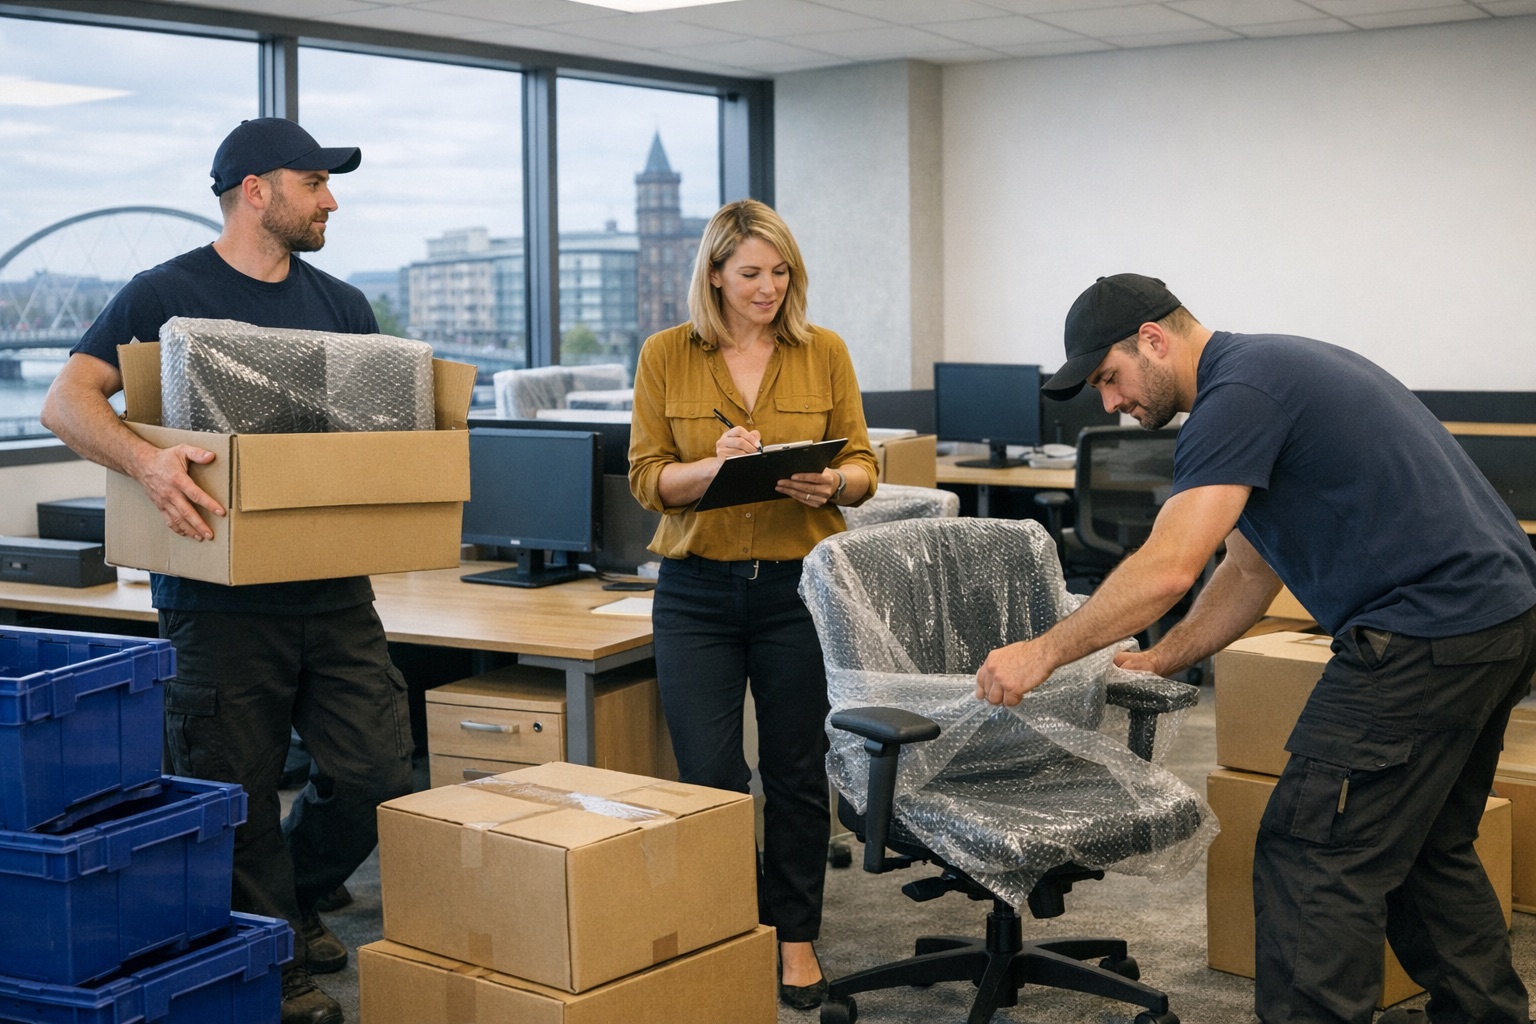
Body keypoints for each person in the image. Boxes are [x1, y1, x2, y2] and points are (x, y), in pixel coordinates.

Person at [973, 272, 1536, 1024]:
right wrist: (1160, 658)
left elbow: (1170, 566)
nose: (1110, 404)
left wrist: (1041, 652)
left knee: (1314, 856)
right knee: (1426, 848)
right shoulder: (1268, 374)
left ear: (1153, 340)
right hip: (1497, 623)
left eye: (1109, 379)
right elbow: (1247, 568)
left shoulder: (1237, 397)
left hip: (1424, 634)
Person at [40, 118, 414, 1024]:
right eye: (315, 182)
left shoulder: (343, 307)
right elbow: (66, 400)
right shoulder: (164, 295)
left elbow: (371, 449)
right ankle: (269, 955)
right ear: (257, 190)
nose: (332, 199)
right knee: (232, 785)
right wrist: (146, 462)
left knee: (378, 771)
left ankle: (299, 892)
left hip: (332, 588)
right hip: (217, 597)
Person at [628, 198, 878, 1011]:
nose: (768, 288)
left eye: (780, 272)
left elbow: (866, 465)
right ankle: (733, 926)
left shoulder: (823, 352)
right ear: (714, 274)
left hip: (796, 591)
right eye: (750, 274)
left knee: (797, 771)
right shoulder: (666, 355)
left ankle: (796, 938)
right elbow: (647, 481)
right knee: (710, 776)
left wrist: (832, 482)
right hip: (696, 596)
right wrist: (713, 466)